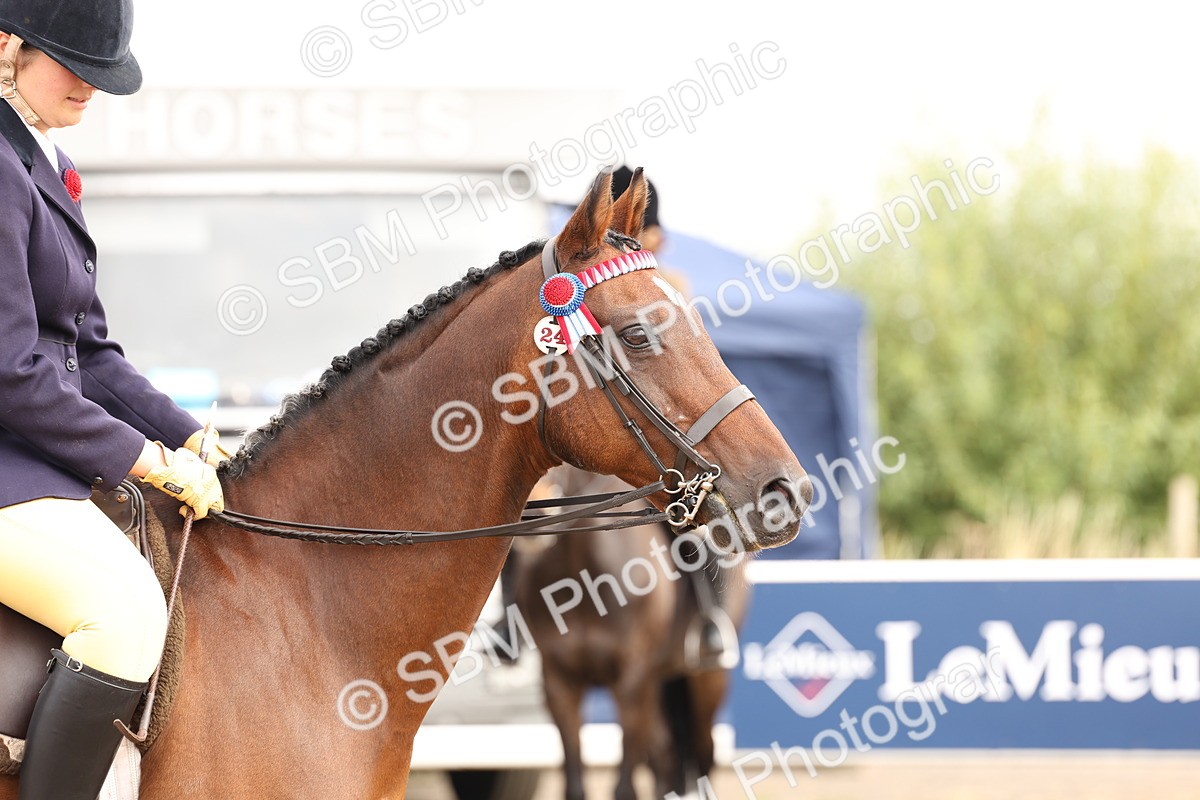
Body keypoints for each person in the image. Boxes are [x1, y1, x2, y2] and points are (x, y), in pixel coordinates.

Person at [0, 1, 226, 797]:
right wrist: (147, 461)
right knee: (124, 614)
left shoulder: (39, 160)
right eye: (74, 66)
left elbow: (87, 351)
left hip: (32, 462)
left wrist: (192, 439)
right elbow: (13, 371)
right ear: (8, 47)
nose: (92, 89)